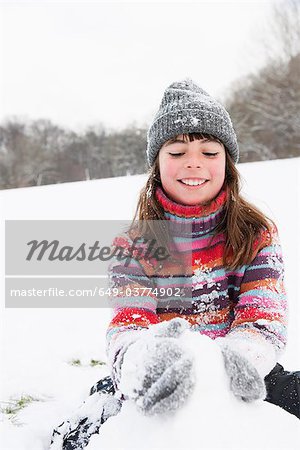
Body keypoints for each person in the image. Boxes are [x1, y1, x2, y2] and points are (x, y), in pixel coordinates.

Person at [50, 79, 300, 450]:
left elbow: (262, 320)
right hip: (163, 374)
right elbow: (129, 324)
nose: (194, 163)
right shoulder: (133, 245)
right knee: (83, 438)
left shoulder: (256, 233)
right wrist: (146, 361)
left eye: (209, 152)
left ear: (227, 162)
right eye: (177, 151)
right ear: (157, 163)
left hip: (244, 368)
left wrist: (224, 370)